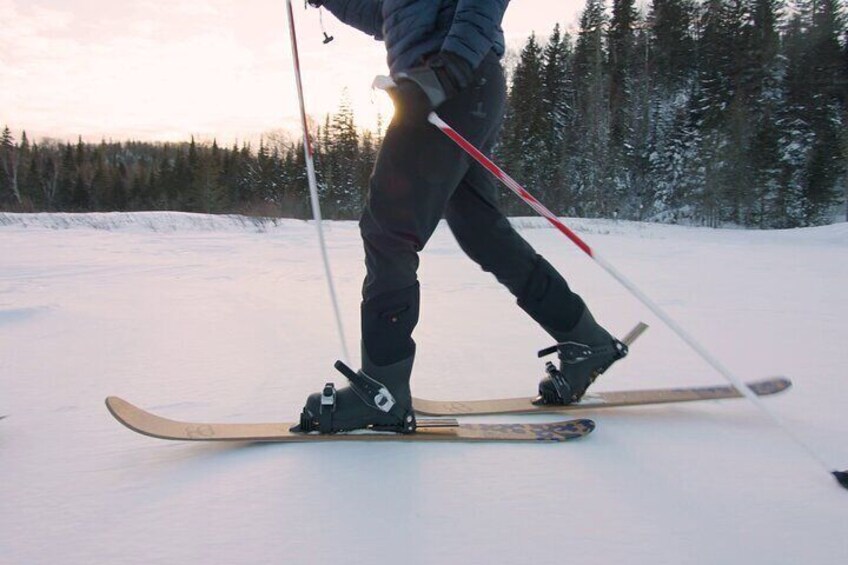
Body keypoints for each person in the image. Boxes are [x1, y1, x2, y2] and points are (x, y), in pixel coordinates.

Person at [294, 0, 627, 434]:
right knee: (481, 231)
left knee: (389, 228)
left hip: (451, 79)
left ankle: (383, 391)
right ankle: (586, 341)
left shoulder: (449, 67)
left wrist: (448, 70)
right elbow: (384, 15)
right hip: (453, 86)